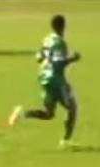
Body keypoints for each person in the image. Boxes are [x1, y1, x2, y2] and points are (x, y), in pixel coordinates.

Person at [8, 14, 81, 147]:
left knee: (49, 114)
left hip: (44, 78)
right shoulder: (60, 42)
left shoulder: (47, 39)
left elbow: (38, 57)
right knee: (72, 108)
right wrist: (72, 59)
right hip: (56, 80)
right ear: (63, 26)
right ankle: (66, 140)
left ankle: (23, 113)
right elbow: (57, 62)